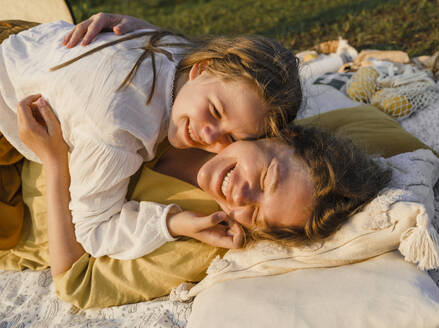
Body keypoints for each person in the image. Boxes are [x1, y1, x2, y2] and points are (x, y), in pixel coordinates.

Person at [0, 19, 301, 259]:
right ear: (202, 68)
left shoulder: (181, 52)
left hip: (22, 39)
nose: (208, 134)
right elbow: (93, 230)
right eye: (214, 110)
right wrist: (172, 222)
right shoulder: (117, 128)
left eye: (233, 137)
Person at [17, 95, 391, 280]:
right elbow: (374, 123)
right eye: (264, 179)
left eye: (256, 213)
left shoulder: (199, 235)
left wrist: (54, 163)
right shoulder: (206, 119)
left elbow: (73, 279)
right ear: (281, 134)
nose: (242, 197)